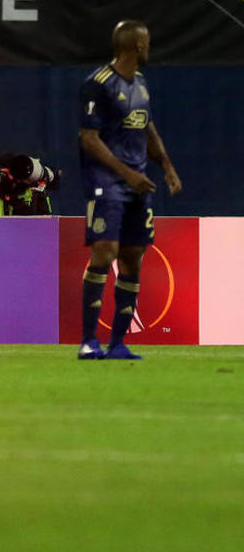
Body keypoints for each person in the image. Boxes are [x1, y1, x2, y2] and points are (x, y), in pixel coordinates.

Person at [76, 20, 182, 360]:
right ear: (137, 46)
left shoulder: (141, 84)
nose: (149, 48)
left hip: (139, 182)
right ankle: (89, 341)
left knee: (133, 258)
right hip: (106, 182)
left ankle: (118, 343)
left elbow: (147, 126)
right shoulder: (98, 84)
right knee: (105, 252)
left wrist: (165, 165)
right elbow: (88, 139)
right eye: (147, 42)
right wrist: (126, 174)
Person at [0, 152, 59, 216]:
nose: (7, 178)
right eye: (3, 174)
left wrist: (14, 200)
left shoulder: (32, 193)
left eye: (10, 175)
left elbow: (44, 225)